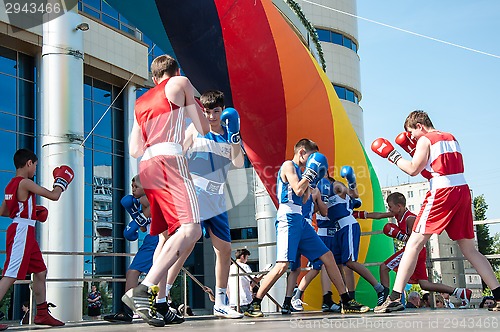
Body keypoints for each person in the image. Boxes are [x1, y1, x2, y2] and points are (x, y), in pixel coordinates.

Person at [371, 110, 500, 313]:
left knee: (413, 243)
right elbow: (433, 169)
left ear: (419, 126)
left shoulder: (425, 140)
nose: (412, 138)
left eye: (412, 133)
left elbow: (414, 169)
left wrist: (392, 155)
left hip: (442, 192)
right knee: (469, 249)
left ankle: (394, 298)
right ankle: (499, 294)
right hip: (462, 191)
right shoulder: (451, 137)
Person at [123, 54, 210, 327]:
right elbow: (203, 128)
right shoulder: (181, 82)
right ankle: (144, 288)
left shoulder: (140, 101)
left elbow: (134, 149)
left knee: (165, 237)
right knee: (192, 229)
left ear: (153, 78)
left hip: (146, 165)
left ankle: (160, 303)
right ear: (176, 71)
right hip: (170, 160)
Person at [244, 139, 369, 317]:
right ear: (302, 152)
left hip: (301, 220)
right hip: (287, 218)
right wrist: (309, 176)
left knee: (328, 256)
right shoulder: (288, 166)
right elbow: (296, 189)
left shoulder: (302, 172)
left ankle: (346, 301)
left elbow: (303, 199)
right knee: (282, 265)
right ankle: (254, 303)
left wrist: (311, 184)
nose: (311, 163)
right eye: (310, 157)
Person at [183, 90, 245, 318]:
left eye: (215, 111)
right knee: (184, 245)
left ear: (222, 110)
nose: (210, 116)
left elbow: (238, 163)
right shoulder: (196, 129)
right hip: (196, 193)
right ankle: (161, 297)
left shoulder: (230, 134)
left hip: (217, 197)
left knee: (225, 249)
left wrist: (235, 137)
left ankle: (220, 301)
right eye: (207, 112)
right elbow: (180, 152)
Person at [0, 148, 74, 330]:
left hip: (24, 230)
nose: (35, 170)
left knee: (40, 272)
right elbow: (54, 195)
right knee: (10, 275)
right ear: (29, 163)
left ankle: (42, 314)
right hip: (22, 232)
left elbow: (4, 211)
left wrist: (32, 212)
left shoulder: (11, 184)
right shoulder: (25, 182)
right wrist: (61, 181)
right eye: (35, 166)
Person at [369, 192, 471, 307]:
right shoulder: (398, 214)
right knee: (424, 284)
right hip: (417, 251)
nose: (389, 209)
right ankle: (460, 292)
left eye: (390, 206)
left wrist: (401, 236)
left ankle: (386, 299)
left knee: (384, 267)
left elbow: (416, 239)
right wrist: (362, 215)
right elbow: (379, 215)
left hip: (413, 250)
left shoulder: (410, 218)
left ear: (399, 206)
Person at [103, 175, 160, 323]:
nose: (133, 189)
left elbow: (138, 225)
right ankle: (160, 306)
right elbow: (142, 228)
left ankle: (128, 311)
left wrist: (135, 215)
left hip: (156, 239)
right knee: (156, 275)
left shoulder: (149, 198)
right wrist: (133, 211)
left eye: (136, 187)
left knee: (133, 272)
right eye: (132, 186)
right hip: (152, 238)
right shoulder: (143, 201)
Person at [228, 249, 260, 313]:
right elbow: (254, 280)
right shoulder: (244, 266)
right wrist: (261, 276)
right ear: (242, 256)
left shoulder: (230, 268)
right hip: (244, 300)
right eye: (247, 257)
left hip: (233, 301)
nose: (247, 260)